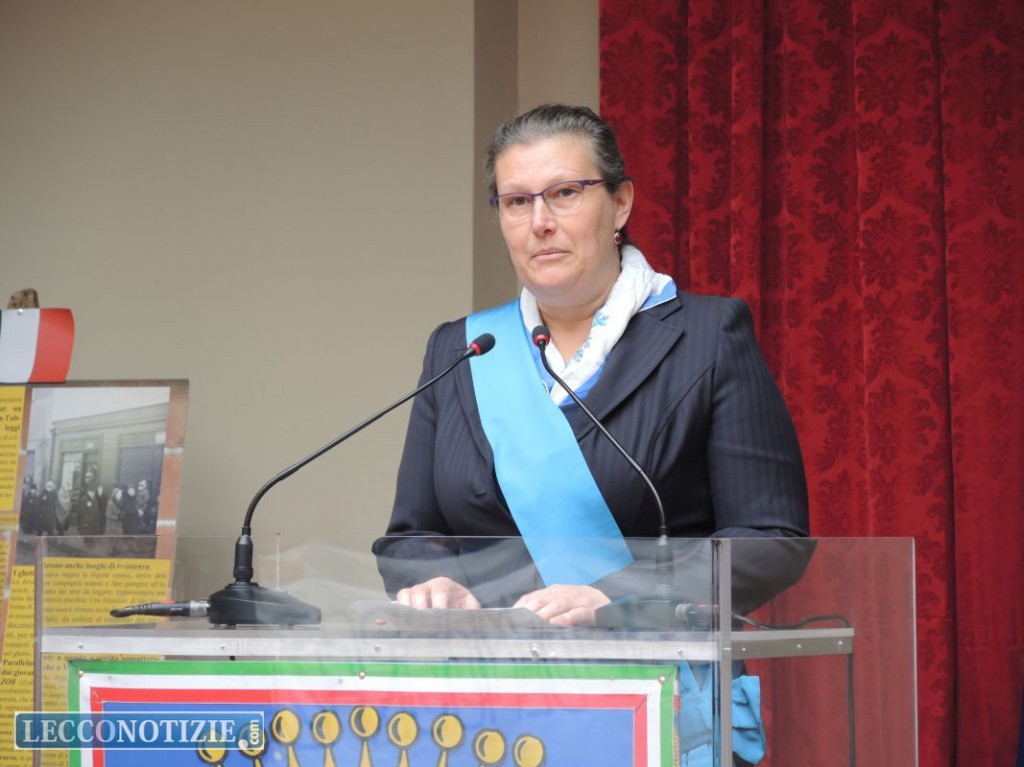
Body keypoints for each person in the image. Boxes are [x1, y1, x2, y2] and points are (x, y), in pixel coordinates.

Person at [373, 105, 811, 765]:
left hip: (656, 706)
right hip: (490, 714)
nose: (540, 222)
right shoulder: (463, 350)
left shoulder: (707, 338)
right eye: (517, 201)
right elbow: (410, 536)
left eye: (565, 193)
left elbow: (771, 540)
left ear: (620, 203)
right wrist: (436, 584)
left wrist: (614, 595)